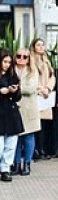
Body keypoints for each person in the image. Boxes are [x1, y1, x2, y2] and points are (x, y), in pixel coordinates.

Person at [11, 47, 40, 176]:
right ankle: (16, 164)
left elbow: (31, 88)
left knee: (28, 136)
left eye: (25, 57)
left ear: (29, 59)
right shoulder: (11, 70)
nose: (21, 59)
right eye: (19, 56)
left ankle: (27, 164)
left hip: (29, 108)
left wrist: (15, 88)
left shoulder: (33, 71)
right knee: (15, 137)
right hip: (14, 107)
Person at [29, 38, 57, 161]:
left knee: (45, 124)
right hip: (37, 95)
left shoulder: (46, 61)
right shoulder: (31, 61)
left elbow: (52, 77)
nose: (41, 47)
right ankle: (36, 150)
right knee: (37, 124)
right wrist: (41, 89)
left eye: (42, 45)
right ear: (33, 47)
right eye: (38, 45)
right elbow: (31, 78)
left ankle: (43, 149)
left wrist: (48, 88)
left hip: (46, 96)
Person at [0, 49, 23, 182]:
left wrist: (14, 91)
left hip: (11, 113)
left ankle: (5, 169)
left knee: (11, 144)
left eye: (9, 62)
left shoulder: (12, 76)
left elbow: (17, 97)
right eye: (4, 61)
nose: (7, 65)